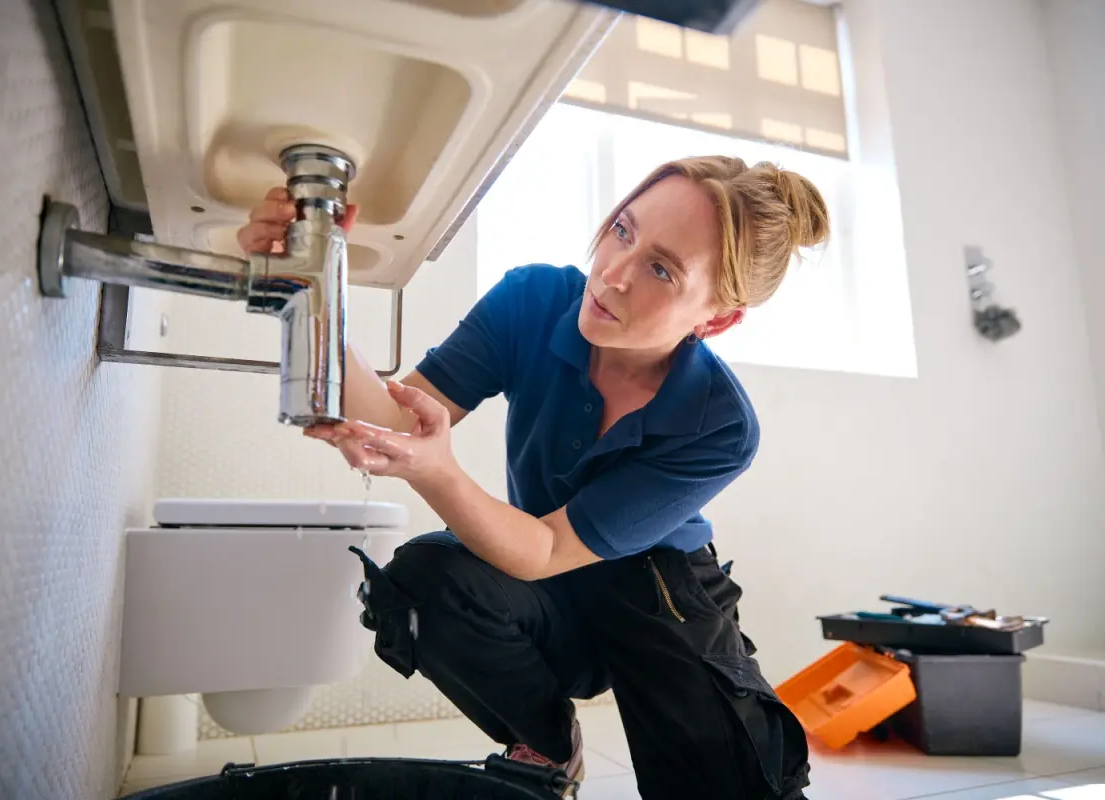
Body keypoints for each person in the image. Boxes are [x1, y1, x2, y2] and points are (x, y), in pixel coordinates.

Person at [237, 155, 827, 799]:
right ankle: (546, 746)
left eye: (661, 269)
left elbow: (547, 548)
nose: (614, 275)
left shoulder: (720, 424)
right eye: (622, 231)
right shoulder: (533, 300)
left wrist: (436, 471)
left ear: (717, 318)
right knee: (425, 581)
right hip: (540, 576)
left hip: (662, 594)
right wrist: (305, 282)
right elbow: (393, 417)